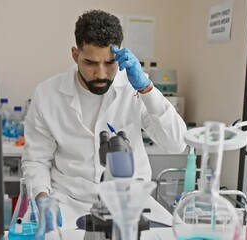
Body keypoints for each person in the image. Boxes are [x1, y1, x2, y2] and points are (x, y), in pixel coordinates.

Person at [22, 9, 187, 229]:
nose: (101, 73)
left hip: (129, 204)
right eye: (90, 63)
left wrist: (147, 88)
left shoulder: (134, 87)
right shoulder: (47, 94)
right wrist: (42, 199)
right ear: (74, 55)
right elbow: (36, 159)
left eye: (110, 63)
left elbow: (176, 144)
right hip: (69, 203)